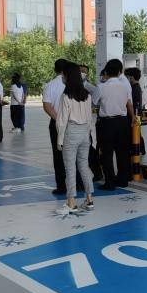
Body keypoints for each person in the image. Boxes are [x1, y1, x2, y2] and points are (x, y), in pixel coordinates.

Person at [55, 63, 96, 216]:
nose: (62, 77)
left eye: (64, 75)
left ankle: (71, 203)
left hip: (71, 133)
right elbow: (90, 118)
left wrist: (60, 140)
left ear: (68, 77)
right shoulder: (87, 96)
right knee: (84, 166)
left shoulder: (66, 97)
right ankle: (89, 200)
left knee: (70, 169)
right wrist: (90, 136)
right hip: (85, 133)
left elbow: (61, 121)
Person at [97, 59, 135, 189]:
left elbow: (94, 102)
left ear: (106, 71)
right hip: (123, 122)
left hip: (107, 123)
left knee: (107, 153)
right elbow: (129, 103)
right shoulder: (125, 86)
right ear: (120, 72)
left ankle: (110, 182)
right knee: (122, 153)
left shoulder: (101, 87)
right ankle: (123, 180)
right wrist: (133, 117)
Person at [43, 59, 72, 196]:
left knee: (58, 155)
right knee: (74, 154)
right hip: (73, 123)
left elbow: (47, 106)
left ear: (55, 69)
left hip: (56, 123)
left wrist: (59, 119)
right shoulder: (73, 83)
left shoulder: (50, 85)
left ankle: (61, 186)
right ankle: (78, 184)